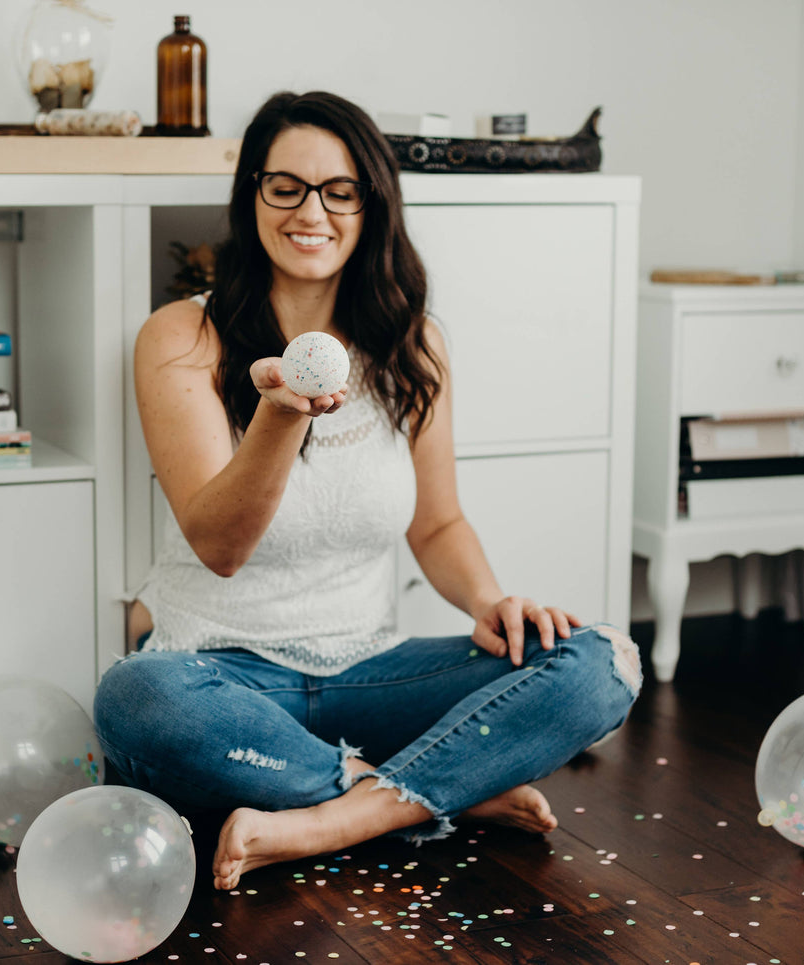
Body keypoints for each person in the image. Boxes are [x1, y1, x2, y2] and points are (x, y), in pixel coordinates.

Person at [93, 90, 642, 892]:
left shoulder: (413, 346)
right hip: (223, 676)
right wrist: (281, 413)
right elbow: (219, 545)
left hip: (372, 672)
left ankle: (338, 813)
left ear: (371, 206)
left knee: (602, 661)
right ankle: (440, 789)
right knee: (134, 695)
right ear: (252, 195)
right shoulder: (183, 334)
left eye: (339, 190)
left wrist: (490, 602)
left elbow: (439, 520)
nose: (310, 211)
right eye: (285, 185)